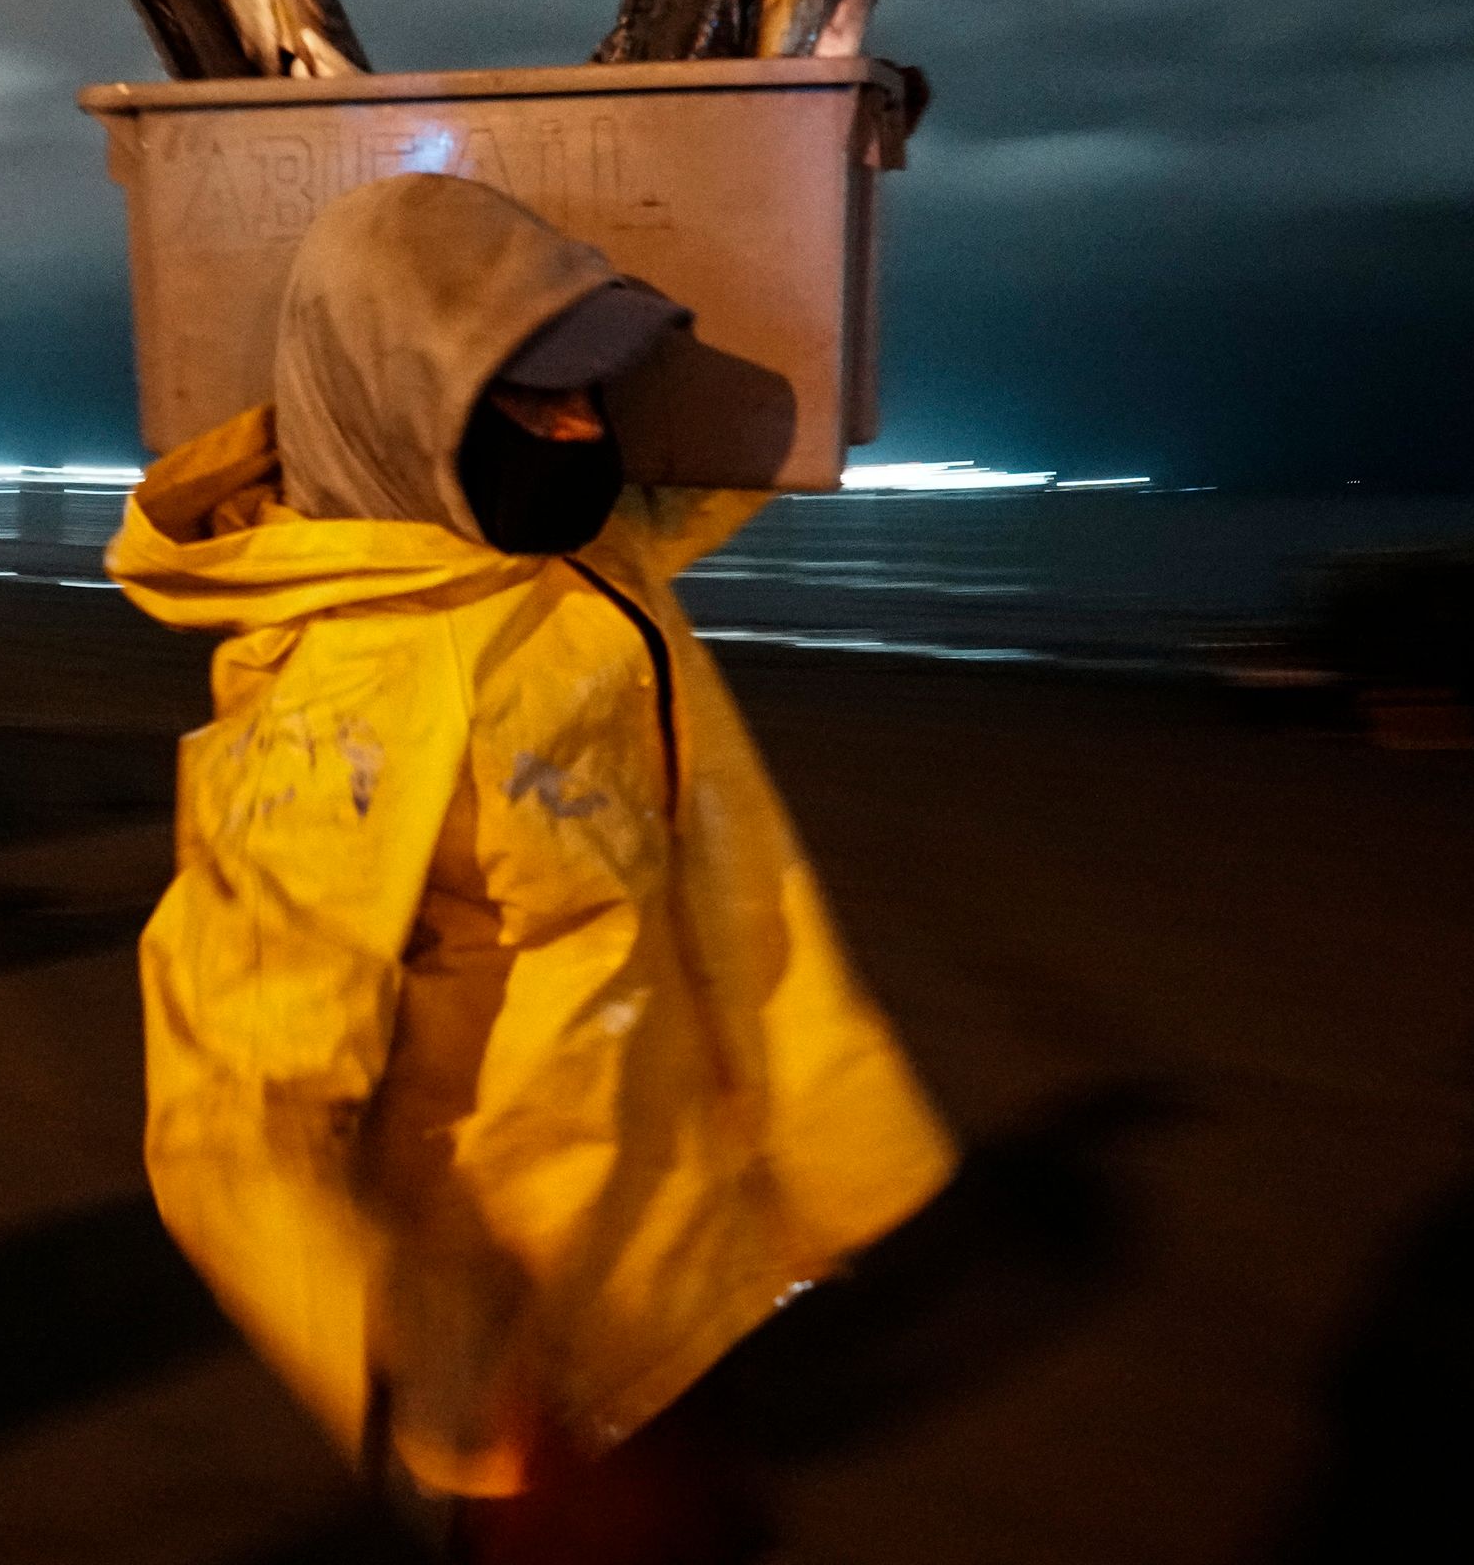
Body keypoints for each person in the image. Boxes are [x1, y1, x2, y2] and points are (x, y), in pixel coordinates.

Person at [107, 174, 956, 1561]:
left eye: (594, 394)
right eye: (533, 396)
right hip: (542, 1373)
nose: (579, 430)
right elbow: (231, 1119)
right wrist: (459, 1389)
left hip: (685, 1269)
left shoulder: (571, 555)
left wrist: (820, 185)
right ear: (402, 402)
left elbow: (731, 464)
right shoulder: (354, 705)